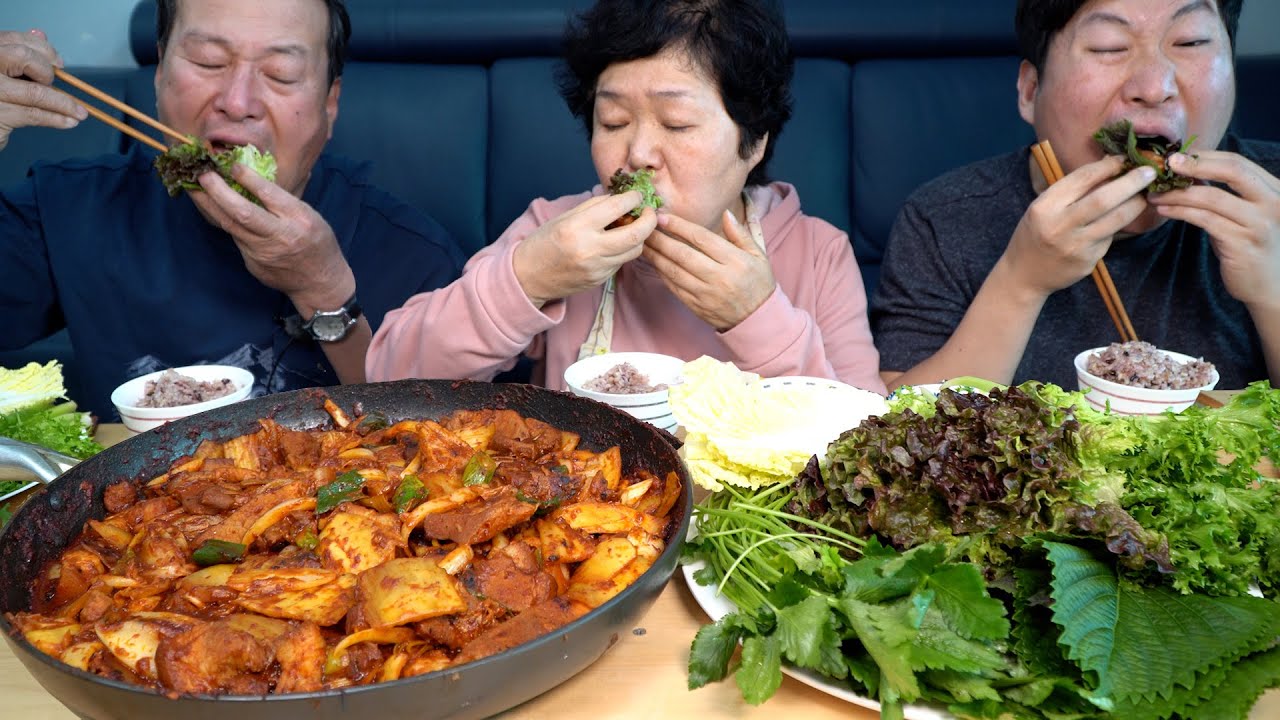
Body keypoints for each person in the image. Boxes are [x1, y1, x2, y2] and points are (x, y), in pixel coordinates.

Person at [366, 0, 885, 395]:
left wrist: (757, 316)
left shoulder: (818, 252)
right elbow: (389, 375)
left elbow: (864, 448)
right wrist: (529, 277)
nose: (637, 153)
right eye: (612, 121)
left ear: (754, 141)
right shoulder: (554, 228)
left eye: (676, 123)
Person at [0, 0, 464, 417]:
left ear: (330, 103)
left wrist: (323, 291)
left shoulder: (418, 260)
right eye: (208, 61)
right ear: (160, 72)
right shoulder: (70, 209)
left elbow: (459, 445)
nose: (237, 102)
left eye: (280, 73)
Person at [871, 0, 1279, 391]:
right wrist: (1019, 282)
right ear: (1031, 91)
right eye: (1109, 47)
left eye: (1191, 42)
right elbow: (890, 434)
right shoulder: (945, 219)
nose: (1156, 87)